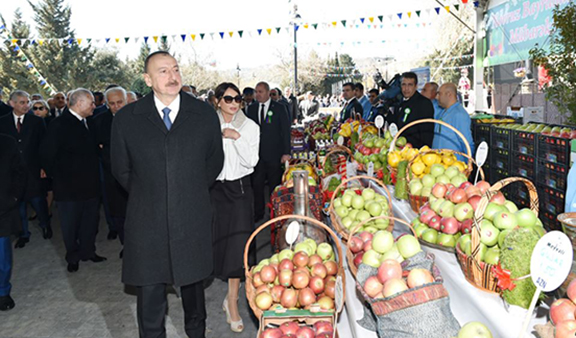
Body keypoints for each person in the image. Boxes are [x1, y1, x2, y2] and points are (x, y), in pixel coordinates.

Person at [110, 51, 224, 338]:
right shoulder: (127, 119)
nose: (172, 76)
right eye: (162, 71)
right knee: (150, 298)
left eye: (175, 69)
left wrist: (188, 190)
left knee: (194, 292)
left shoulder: (203, 114)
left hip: (191, 214)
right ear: (148, 79)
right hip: (147, 220)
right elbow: (121, 169)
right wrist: (153, 194)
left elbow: (214, 161)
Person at [211, 82, 259, 333]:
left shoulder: (249, 127)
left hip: (240, 190)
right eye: (228, 99)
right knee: (218, 246)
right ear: (218, 100)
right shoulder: (208, 125)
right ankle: (228, 298)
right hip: (214, 191)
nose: (233, 103)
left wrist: (236, 138)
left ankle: (233, 302)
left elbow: (251, 161)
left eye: (237, 99)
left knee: (237, 250)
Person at [40, 88, 105, 273]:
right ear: (79, 103)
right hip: (68, 188)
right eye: (91, 102)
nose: (94, 106)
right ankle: (73, 257)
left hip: (91, 185)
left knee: (90, 222)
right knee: (70, 225)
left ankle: (88, 251)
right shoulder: (58, 125)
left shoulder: (90, 122)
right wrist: (59, 177)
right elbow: (46, 154)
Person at [0, 91, 52, 247]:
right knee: (18, 204)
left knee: (38, 200)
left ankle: (45, 225)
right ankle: (23, 233)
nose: (26, 105)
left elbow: (44, 145)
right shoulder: (2, 122)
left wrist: (44, 166)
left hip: (33, 168)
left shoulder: (36, 121)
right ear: (12, 104)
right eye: (22, 102)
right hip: (12, 171)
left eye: (27, 102)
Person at [90, 87, 129, 253]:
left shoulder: (138, 117)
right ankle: (126, 246)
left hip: (138, 174)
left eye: (119, 102)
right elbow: (96, 147)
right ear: (106, 104)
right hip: (112, 174)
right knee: (118, 213)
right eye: (112, 103)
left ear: (126, 100)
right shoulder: (98, 121)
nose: (116, 106)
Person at [246, 81, 291, 222]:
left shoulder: (279, 107)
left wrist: (286, 152)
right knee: (257, 186)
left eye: (260, 92)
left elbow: (285, 131)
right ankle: (258, 213)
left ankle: (276, 213)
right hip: (257, 155)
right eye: (256, 92)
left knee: (274, 186)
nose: (257, 94)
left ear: (267, 92)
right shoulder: (251, 109)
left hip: (274, 154)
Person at [0, 133, 27, 311]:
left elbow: (19, 172)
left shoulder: (6, 142)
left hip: (2, 209)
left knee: (2, 257)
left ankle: (3, 292)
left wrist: (14, 198)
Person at [386, 72, 434, 149]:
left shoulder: (424, 103)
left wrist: (423, 152)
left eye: (410, 85)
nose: (406, 88)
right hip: (400, 149)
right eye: (404, 84)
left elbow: (427, 133)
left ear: (416, 86)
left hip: (415, 151)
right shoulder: (399, 101)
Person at [433, 83, 475, 157]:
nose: (436, 97)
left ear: (449, 94)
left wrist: (469, 162)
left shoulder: (459, 114)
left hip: (453, 165)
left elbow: (467, 143)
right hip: (440, 163)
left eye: (439, 94)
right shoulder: (443, 112)